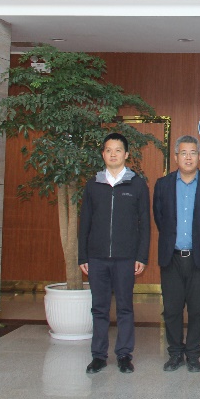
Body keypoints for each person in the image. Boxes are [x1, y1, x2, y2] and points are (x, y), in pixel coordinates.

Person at [78, 132, 150, 375]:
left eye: (118, 150)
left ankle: (124, 355)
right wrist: (83, 256)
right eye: (108, 150)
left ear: (126, 154)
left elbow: (145, 224)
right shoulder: (93, 184)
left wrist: (141, 256)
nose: (113, 154)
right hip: (97, 257)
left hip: (125, 258)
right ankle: (98, 356)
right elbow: (85, 222)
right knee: (99, 308)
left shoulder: (137, 184)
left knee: (125, 307)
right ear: (103, 154)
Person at [152, 135, 200, 373]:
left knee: (197, 308)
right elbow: (160, 218)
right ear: (176, 157)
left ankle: (193, 353)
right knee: (172, 309)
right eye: (183, 153)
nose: (188, 157)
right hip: (171, 257)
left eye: (193, 153)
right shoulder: (162, 185)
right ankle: (175, 353)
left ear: (199, 157)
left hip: (199, 257)